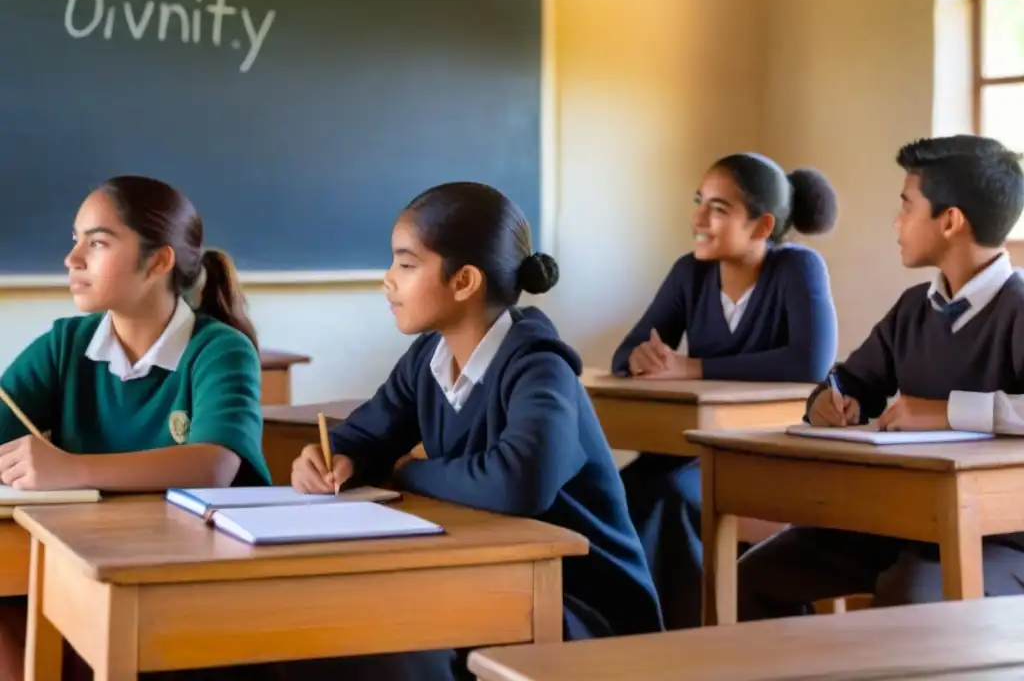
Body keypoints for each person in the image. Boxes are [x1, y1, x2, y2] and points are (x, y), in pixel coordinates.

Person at [290, 181, 663, 680]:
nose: (387, 280)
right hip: (489, 574)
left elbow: (518, 483)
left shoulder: (538, 367)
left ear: (464, 281)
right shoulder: (429, 357)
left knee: (393, 649)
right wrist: (332, 457)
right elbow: (368, 434)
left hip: (578, 603)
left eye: (405, 264)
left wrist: (411, 473)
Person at [738, 135, 1024, 620]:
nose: (896, 221)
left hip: (1004, 539)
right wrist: (832, 401)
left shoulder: (1018, 307)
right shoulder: (914, 308)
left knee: (911, 593)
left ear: (950, 221)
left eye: (907, 206)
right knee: (755, 576)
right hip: (904, 524)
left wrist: (943, 412)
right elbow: (851, 380)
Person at [0, 175, 270, 681]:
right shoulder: (67, 343)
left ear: (158, 260)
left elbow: (211, 464)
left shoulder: (218, 349)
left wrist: (69, 469)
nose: (72, 258)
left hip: (194, 586)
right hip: (88, 565)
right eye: (74, 240)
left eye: (97, 242)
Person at [611, 152, 839, 629]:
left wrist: (690, 367)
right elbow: (630, 348)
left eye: (717, 208)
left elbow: (809, 363)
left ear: (761, 227)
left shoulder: (798, 268)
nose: (698, 219)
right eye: (700, 202)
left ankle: (688, 639)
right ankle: (626, 631)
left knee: (670, 496)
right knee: (614, 491)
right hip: (694, 447)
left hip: (771, 455)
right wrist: (637, 358)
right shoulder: (689, 272)